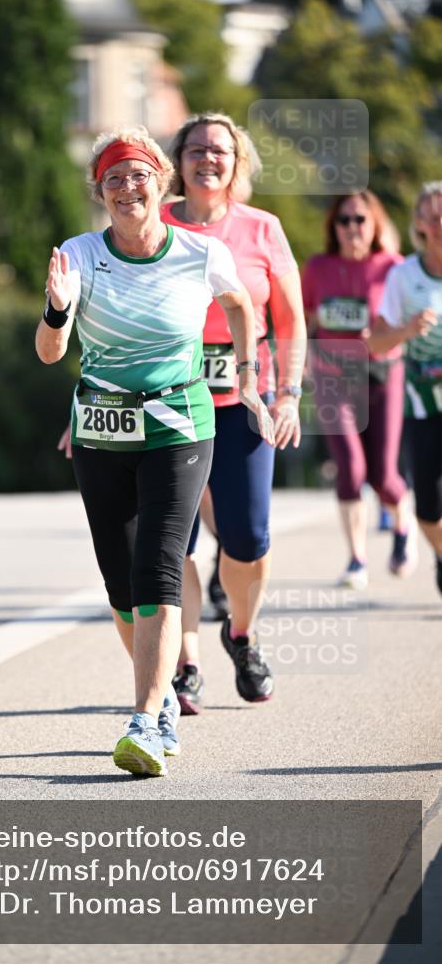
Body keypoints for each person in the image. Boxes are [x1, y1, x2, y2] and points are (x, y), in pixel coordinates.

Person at [36, 126, 274, 777]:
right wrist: (57, 312)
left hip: (179, 424)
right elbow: (50, 352)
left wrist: (249, 374)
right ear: (100, 192)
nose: (127, 186)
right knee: (120, 587)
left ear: (160, 182)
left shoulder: (198, 254)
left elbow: (241, 305)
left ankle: (145, 718)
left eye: (138, 174)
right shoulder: (80, 256)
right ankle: (163, 691)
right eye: (113, 177)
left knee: (158, 568)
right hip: (101, 433)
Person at [161, 113, 306, 713]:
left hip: (246, 402)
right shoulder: (156, 223)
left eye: (219, 150)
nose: (208, 159)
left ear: (236, 163)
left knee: (247, 539)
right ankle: (185, 662)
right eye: (195, 149)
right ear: (179, 160)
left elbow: (293, 321)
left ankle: (241, 635)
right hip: (168, 404)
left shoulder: (262, 229)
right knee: (177, 542)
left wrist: (289, 394)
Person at [302, 190, 415, 591]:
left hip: (382, 376)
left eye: (360, 220)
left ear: (375, 225)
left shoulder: (394, 268)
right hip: (333, 377)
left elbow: (411, 320)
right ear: (333, 227)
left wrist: (386, 333)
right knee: (350, 470)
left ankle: (403, 525)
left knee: (384, 476)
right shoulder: (318, 268)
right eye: (344, 220)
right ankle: (357, 558)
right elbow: (306, 319)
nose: (352, 228)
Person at [368, 182, 442, 595]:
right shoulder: (404, 276)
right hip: (422, 405)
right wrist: (407, 330)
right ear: (420, 224)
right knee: (429, 507)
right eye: (434, 216)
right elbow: (375, 344)